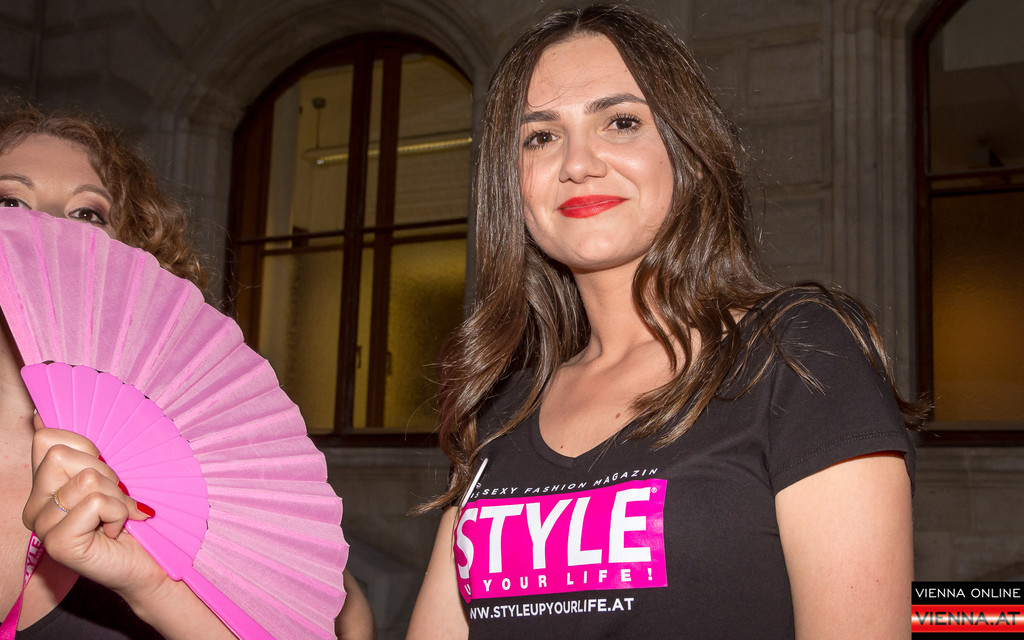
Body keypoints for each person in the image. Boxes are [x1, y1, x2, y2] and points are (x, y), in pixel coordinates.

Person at [407, 5, 922, 639]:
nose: (577, 162)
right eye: (540, 136)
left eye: (621, 122)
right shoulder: (501, 408)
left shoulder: (795, 355)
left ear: (689, 153)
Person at [0, 105, 233, 638]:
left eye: (87, 213)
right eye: (9, 201)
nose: (49, 224)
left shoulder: (194, 459)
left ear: (129, 256)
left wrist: (154, 589)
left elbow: (348, 619)